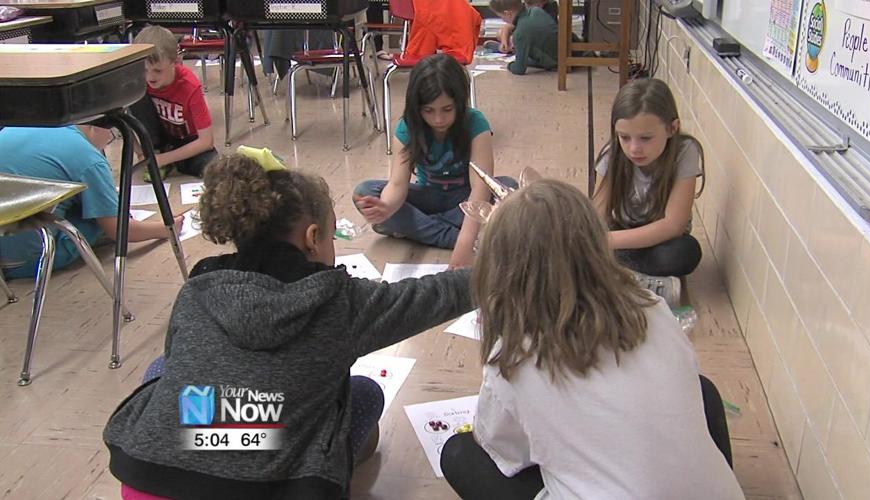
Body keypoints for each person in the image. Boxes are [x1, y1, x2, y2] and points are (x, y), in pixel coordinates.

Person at [103, 151, 475, 500]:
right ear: (313, 238)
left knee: (163, 371)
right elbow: (437, 294)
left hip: (150, 481)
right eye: (331, 236)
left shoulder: (197, 289)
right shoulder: (341, 302)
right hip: (275, 488)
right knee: (363, 395)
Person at [439, 179, 743, 500]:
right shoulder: (651, 306)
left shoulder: (511, 355)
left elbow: (503, 450)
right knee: (703, 391)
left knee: (459, 453)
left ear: (500, 268)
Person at [353, 54, 514, 269]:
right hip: (428, 195)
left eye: (447, 110)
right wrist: (386, 207)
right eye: (429, 111)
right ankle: (456, 235)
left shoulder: (475, 123)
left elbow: (480, 189)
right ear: (417, 108)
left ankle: (420, 228)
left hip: (464, 199)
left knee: (510, 191)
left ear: (459, 103)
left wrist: (464, 245)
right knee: (365, 191)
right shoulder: (408, 127)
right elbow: (398, 184)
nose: (438, 119)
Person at [0, 125, 181, 280]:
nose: (109, 141)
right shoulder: (88, 158)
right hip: (24, 261)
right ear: (99, 127)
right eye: (112, 137)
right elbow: (119, 231)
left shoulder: (29, 124)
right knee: (98, 220)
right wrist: (166, 229)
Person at [593, 78, 706, 306]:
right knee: (580, 243)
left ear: (672, 128)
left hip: (661, 241)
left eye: (646, 138)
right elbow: (597, 212)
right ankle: (639, 279)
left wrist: (607, 241)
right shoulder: (612, 154)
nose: (634, 148)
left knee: (685, 253)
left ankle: (621, 274)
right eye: (624, 137)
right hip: (622, 232)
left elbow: (673, 225)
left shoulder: (685, 152)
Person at [129, 25, 217, 181]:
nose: (150, 77)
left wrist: (165, 159)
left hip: (188, 142)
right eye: (144, 69)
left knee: (216, 169)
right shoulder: (138, 81)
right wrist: (141, 152)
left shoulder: (189, 85)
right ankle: (156, 153)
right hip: (159, 141)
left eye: (158, 70)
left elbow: (206, 141)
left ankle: (165, 161)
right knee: (136, 93)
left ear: (174, 61)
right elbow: (121, 122)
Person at [490, 0, 559, 75]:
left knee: (523, 59)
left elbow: (518, 70)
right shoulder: (536, 11)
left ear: (508, 14)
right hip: (566, 52)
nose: (502, 20)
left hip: (555, 62)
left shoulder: (519, 33)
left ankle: (498, 48)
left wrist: (509, 65)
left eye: (501, 17)